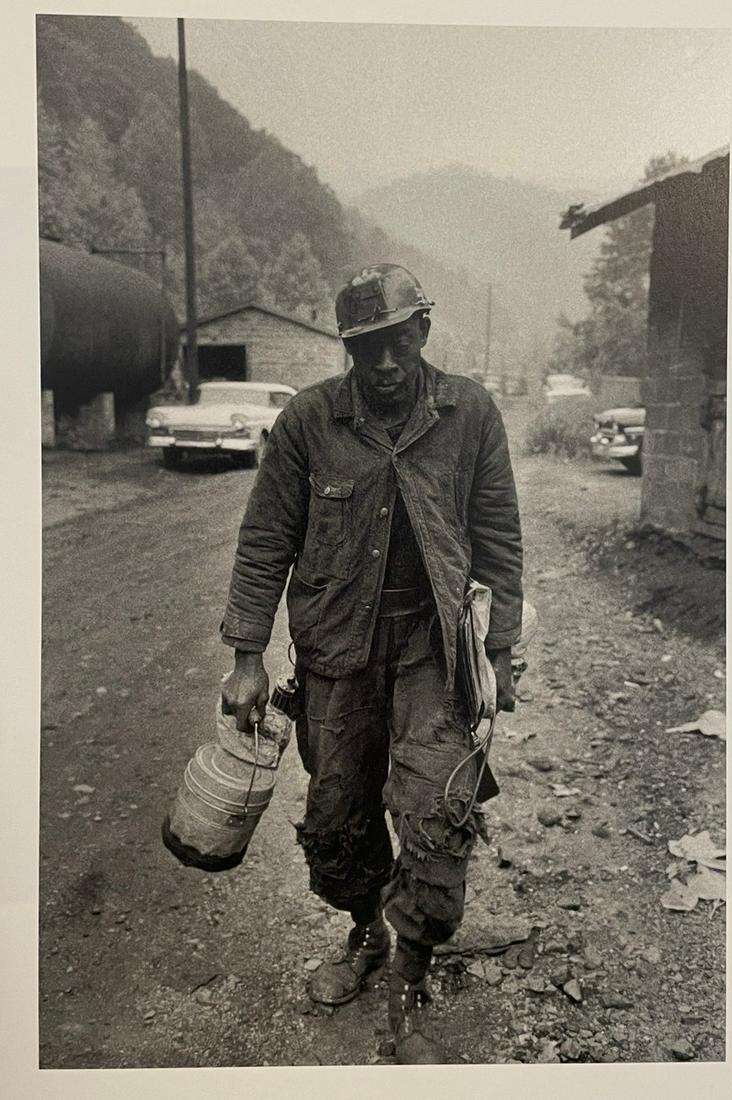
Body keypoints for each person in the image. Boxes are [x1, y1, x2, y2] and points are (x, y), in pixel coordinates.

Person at [220, 264, 523, 1063]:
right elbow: (264, 543)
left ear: (423, 330)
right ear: (347, 348)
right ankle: (367, 933)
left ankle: (413, 970)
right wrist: (248, 657)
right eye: (367, 348)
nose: (386, 363)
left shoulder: (471, 415)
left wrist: (502, 656)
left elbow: (499, 541)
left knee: (437, 812)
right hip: (336, 655)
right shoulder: (308, 422)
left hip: (434, 653)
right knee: (337, 819)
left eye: (399, 341)